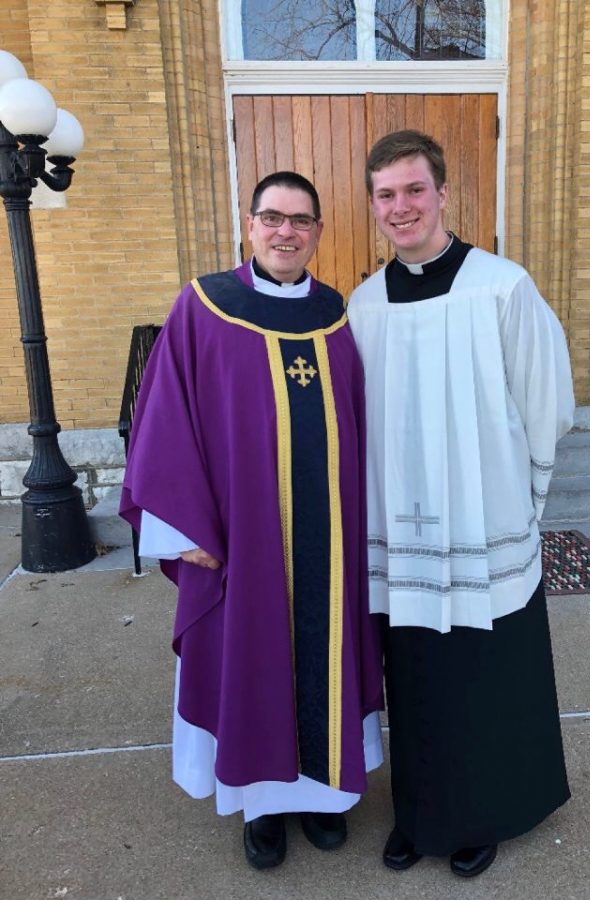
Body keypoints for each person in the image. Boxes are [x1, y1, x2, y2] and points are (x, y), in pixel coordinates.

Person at [120, 171, 384, 870]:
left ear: (319, 232)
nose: (285, 232)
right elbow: (165, 418)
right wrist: (187, 530)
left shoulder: (337, 316)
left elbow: (363, 422)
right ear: (250, 223)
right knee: (254, 658)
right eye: (272, 217)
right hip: (243, 537)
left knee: (324, 655)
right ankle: (262, 807)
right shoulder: (204, 307)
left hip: (329, 538)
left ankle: (321, 797)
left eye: (300, 221)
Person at [346, 131, 574, 878]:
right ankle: (419, 813)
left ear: (444, 193)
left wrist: (523, 497)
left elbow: (546, 402)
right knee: (411, 675)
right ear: (373, 205)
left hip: (483, 521)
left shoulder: (501, 286)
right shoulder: (365, 302)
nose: (401, 207)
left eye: (414, 190)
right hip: (401, 530)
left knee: (482, 673)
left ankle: (482, 813)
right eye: (386, 195)